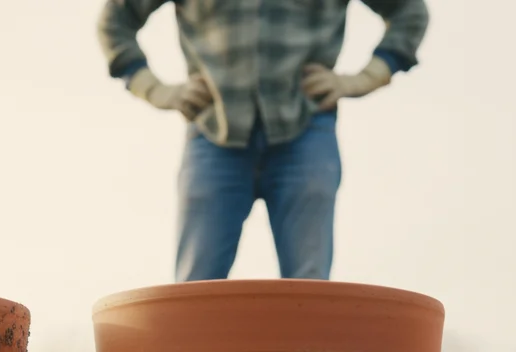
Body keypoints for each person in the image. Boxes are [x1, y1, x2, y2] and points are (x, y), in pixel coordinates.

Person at [98, 0, 429, 282]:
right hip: (212, 135)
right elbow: (115, 21)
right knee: (194, 288)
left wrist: (366, 78)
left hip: (307, 130)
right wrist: (155, 89)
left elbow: (409, 11)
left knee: (309, 289)